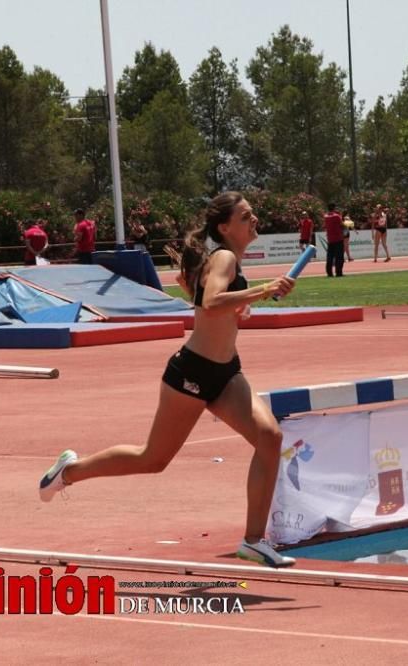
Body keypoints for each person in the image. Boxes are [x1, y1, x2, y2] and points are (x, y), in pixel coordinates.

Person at [38, 191, 297, 568]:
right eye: (246, 216)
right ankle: (70, 471)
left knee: (269, 438)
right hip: (192, 372)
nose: (254, 219)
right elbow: (210, 301)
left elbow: (211, 305)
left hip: (226, 373)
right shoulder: (224, 256)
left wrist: (244, 304)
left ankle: (254, 541)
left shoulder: (229, 260)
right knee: (152, 459)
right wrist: (264, 289)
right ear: (225, 228)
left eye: (253, 214)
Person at [324, 202, 345, 277]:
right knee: (339, 257)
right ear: (334, 208)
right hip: (338, 238)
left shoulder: (325, 217)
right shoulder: (337, 216)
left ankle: (329, 272)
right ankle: (338, 272)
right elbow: (342, 225)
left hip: (330, 239)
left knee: (330, 257)